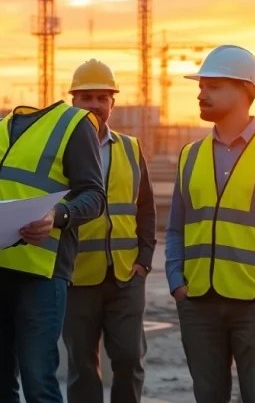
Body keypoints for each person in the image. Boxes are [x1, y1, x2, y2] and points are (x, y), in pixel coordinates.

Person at [165, 45, 255, 403]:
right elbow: (175, 229)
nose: (201, 94)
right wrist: (177, 284)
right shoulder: (190, 155)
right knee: (208, 396)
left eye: (212, 86)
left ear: (245, 90)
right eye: (201, 86)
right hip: (198, 302)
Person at [0, 79, 107, 403]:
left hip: (41, 274)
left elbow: (95, 196)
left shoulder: (73, 124)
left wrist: (58, 216)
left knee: (38, 383)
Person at [62, 59, 157, 403]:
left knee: (130, 357)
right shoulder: (59, 150)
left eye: (102, 97)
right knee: (83, 366)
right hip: (77, 277)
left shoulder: (130, 148)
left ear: (112, 104)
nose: (94, 105)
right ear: (73, 101)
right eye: (86, 97)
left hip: (124, 276)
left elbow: (145, 208)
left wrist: (143, 261)